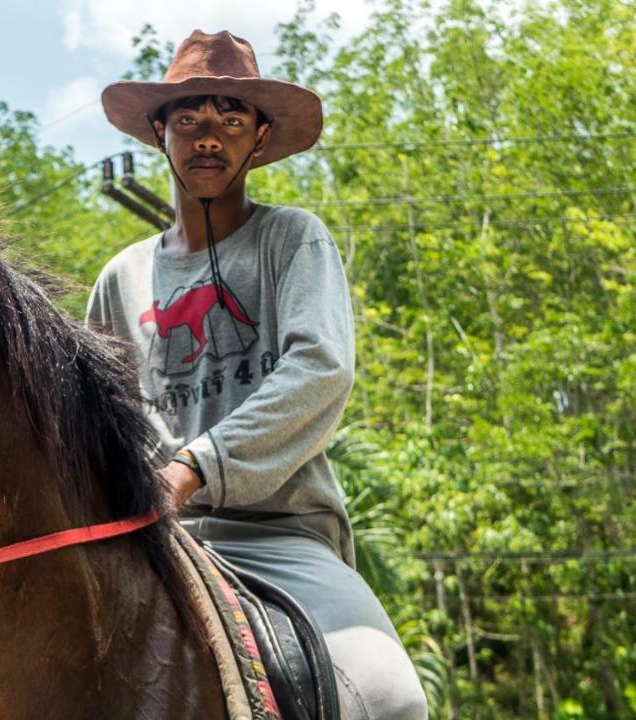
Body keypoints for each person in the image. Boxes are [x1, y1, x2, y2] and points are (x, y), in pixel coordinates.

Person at [86, 29, 428, 720]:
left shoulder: (292, 239)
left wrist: (194, 468)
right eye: (188, 119)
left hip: (279, 532)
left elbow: (320, 369)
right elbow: (95, 420)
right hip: (146, 539)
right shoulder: (119, 278)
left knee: (391, 697)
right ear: (160, 134)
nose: (208, 136)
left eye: (230, 120)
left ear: (260, 139)